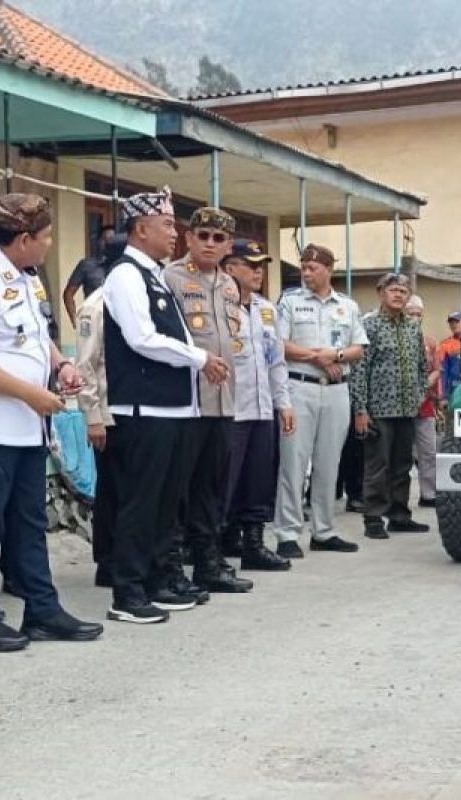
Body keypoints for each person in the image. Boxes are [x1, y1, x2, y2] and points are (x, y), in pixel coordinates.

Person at [0, 193, 102, 651]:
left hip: (28, 428)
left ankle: (42, 609)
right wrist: (29, 393)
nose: (51, 244)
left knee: (29, 522)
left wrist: (60, 365)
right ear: (26, 238)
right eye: (47, 236)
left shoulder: (25, 279)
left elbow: (32, 337)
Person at [103, 188, 231, 622]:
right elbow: (140, 337)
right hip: (145, 409)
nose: (174, 234)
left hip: (174, 408)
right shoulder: (125, 275)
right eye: (166, 225)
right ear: (140, 229)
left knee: (164, 504)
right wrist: (199, 358)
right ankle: (128, 592)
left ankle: (157, 579)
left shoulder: (153, 274)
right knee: (140, 503)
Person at [163, 207, 253, 594]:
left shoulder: (230, 284)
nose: (210, 244)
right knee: (177, 489)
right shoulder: (170, 277)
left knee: (211, 488)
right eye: (203, 236)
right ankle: (170, 566)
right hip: (187, 400)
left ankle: (208, 563)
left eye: (218, 239)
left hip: (224, 400)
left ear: (228, 244)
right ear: (189, 238)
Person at [273, 243, 368, 558]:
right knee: (294, 462)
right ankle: (287, 533)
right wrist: (320, 358)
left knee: (329, 463)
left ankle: (324, 530)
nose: (306, 273)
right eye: (303, 267)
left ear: (329, 269)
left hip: (337, 390)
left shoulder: (347, 306)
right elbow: (281, 345)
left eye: (313, 268)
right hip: (300, 388)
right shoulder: (290, 302)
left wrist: (336, 356)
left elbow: (358, 348)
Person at [222, 239, 295, 571]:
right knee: (223, 482)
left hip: (262, 408)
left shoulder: (267, 309)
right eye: (250, 265)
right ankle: (213, 546)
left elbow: (276, 360)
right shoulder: (218, 306)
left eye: (261, 266)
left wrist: (284, 403)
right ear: (229, 267)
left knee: (258, 480)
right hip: (229, 409)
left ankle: (253, 544)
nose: (258, 272)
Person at [350, 274, 430, 539]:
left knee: (403, 465)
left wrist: (419, 395)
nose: (398, 295)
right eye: (393, 290)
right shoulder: (369, 326)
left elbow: (421, 366)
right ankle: (373, 517)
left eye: (403, 291)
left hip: (407, 408)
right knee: (377, 465)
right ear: (380, 293)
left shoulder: (412, 326)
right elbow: (360, 370)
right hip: (379, 409)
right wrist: (360, 409)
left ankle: (399, 514)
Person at [77, 232, 127, 589]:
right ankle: (107, 561)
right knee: (111, 491)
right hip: (107, 413)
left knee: (130, 490)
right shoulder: (96, 304)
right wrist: (93, 416)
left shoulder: (127, 299)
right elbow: (85, 365)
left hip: (132, 410)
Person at [403, 294, 442, 508]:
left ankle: (429, 494)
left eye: (418, 314)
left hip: (425, 404)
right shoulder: (395, 338)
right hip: (400, 406)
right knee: (401, 455)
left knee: (428, 451)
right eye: (410, 314)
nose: (414, 318)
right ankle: (398, 499)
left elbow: (437, 370)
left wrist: (425, 384)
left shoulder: (430, 342)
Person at [63, 224, 116, 326]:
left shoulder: (121, 266)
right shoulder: (86, 265)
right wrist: (75, 321)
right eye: (105, 239)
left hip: (116, 324)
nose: (108, 243)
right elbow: (68, 294)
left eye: (111, 240)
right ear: (99, 242)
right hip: (93, 322)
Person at [437, 311, 461, 401]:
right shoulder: (445, 344)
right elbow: (443, 372)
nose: (453, 325)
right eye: (451, 323)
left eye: (457, 321)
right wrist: (443, 397)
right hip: (455, 389)